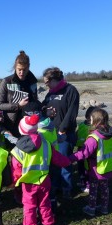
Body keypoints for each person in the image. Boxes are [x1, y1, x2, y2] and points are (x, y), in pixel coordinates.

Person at [11, 115, 71, 225]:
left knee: (29, 206)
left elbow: (16, 168)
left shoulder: (18, 149)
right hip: (44, 180)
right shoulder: (46, 144)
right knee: (45, 203)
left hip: (28, 183)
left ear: (21, 130)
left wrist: (15, 181)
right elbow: (57, 158)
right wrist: (68, 161)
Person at [69, 108, 112, 217]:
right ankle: (104, 208)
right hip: (107, 167)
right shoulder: (109, 134)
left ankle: (91, 208)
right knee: (105, 188)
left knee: (93, 189)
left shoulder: (94, 138)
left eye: (91, 118)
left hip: (96, 168)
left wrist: (69, 158)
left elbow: (83, 153)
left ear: (95, 120)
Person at [42, 67, 80, 199]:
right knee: (53, 163)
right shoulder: (50, 93)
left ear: (55, 79)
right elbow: (43, 107)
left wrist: (62, 129)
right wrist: (45, 111)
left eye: (47, 82)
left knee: (64, 161)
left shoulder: (71, 91)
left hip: (64, 133)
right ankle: (55, 186)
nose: (46, 85)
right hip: (51, 133)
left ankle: (67, 188)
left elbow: (72, 113)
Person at [0, 50, 38, 138]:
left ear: (29, 67)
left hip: (29, 125)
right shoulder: (6, 82)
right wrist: (18, 105)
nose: (21, 73)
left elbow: (35, 101)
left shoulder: (33, 82)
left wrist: (44, 108)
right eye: (19, 69)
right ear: (15, 67)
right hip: (11, 125)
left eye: (24, 69)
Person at [76, 106, 96, 193]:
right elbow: (77, 134)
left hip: (89, 150)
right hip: (80, 149)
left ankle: (88, 185)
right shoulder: (81, 125)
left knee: (87, 167)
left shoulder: (94, 128)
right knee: (80, 167)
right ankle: (82, 181)